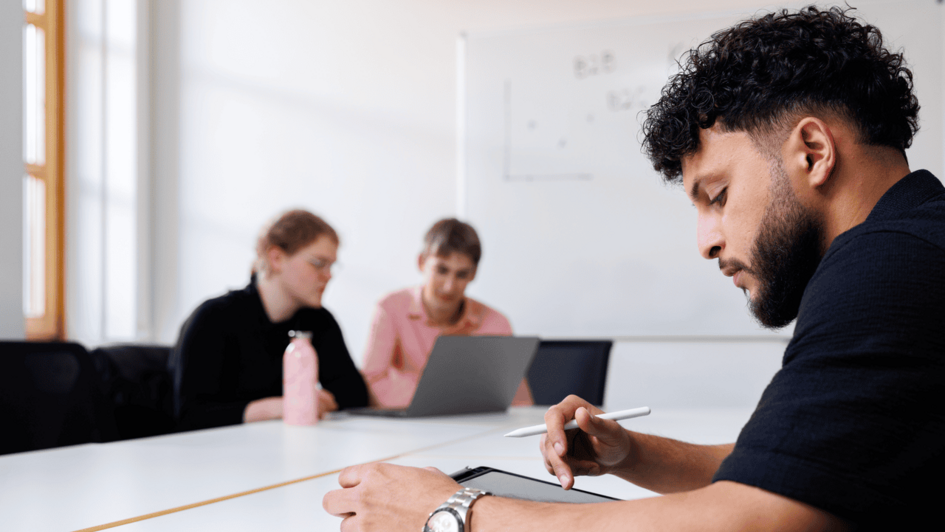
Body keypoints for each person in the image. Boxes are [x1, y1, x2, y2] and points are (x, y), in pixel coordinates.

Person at [323, 7, 945, 531]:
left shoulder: (890, 263)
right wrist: (633, 453)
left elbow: (756, 516)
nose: (706, 242)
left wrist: (455, 510)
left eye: (718, 195)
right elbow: (801, 465)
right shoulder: (912, 238)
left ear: (813, 153)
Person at [169, 209, 368, 431]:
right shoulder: (214, 318)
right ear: (276, 258)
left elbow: (355, 398)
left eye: (332, 266)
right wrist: (276, 408)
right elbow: (190, 416)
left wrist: (318, 400)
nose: (328, 275)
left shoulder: (319, 321)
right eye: (319, 263)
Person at [361, 218, 532, 407]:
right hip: (408, 428)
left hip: (476, 427)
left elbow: (518, 400)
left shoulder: (496, 323)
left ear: (473, 274)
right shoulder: (390, 308)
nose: (449, 287)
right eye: (441, 270)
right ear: (421, 262)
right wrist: (444, 399)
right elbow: (372, 381)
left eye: (461, 274)